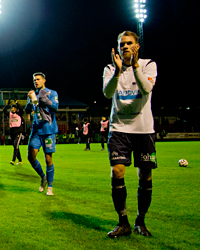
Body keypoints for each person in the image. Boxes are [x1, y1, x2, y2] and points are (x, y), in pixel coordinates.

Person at [103, 31, 157, 238]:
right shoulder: (109, 68)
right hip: (119, 129)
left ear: (137, 46)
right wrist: (118, 72)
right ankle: (123, 222)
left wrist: (134, 66)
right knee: (117, 172)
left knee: (146, 175)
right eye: (121, 44)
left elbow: (147, 88)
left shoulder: (148, 65)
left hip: (143, 130)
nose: (125, 47)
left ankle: (140, 221)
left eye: (129, 43)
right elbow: (107, 93)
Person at [25, 72, 59, 196]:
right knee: (30, 156)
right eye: (34, 80)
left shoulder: (52, 93)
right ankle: (43, 176)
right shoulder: (33, 94)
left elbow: (55, 107)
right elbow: (27, 110)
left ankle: (50, 186)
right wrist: (30, 101)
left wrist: (44, 100)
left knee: (48, 158)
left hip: (48, 130)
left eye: (38, 79)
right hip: (36, 130)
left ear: (44, 80)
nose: (36, 81)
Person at [3, 99, 25, 165]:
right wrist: (7, 105)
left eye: (14, 108)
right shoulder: (10, 114)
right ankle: (20, 160)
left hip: (18, 131)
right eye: (12, 108)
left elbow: (21, 109)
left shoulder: (19, 113)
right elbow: (4, 110)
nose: (13, 109)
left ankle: (13, 160)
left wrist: (17, 103)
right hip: (12, 132)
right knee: (16, 146)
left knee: (16, 145)